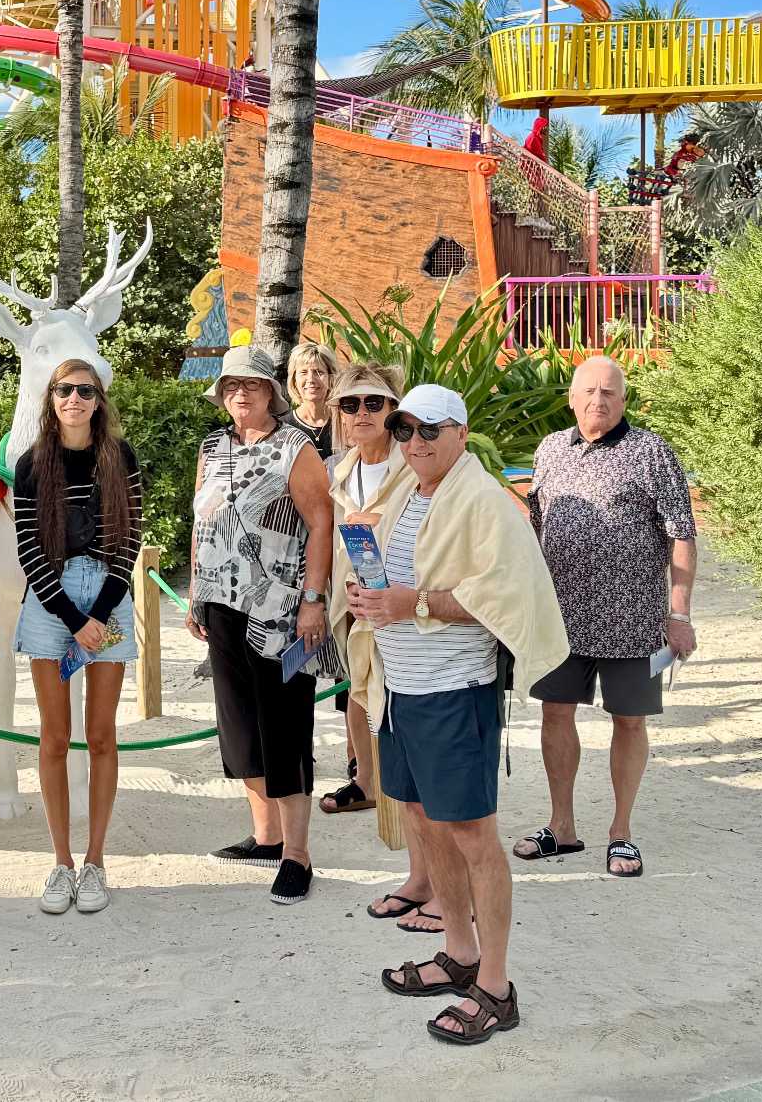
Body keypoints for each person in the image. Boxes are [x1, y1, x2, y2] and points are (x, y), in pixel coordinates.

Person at [346, 385, 567, 1047]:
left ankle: (495, 989)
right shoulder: (402, 495)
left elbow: (507, 594)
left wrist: (414, 603)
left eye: (430, 429)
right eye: (405, 429)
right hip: (400, 691)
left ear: (461, 433)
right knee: (422, 818)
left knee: (473, 835)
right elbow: (394, 583)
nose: (414, 442)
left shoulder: (486, 502)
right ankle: (460, 952)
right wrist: (370, 597)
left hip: (453, 691)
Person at [515, 355, 697, 879]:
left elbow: (682, 535)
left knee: (629, 721)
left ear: (624, 400)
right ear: (571, 398)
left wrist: (679, 613)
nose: (599, 400)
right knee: (555, 714)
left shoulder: (651, 452)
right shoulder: (550, 449)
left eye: (610, 392)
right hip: (561, 616)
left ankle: (621, 832)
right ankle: (562, 827)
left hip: (632, 618)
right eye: (590, 391)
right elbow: (537, 524)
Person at [187, 345, 335, 906]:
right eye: (231, 385)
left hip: (279, 607)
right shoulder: (212, 446)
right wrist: (196, 591)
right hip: (220, 602)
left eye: (251, 384)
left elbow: (321, 522)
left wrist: (313, 599)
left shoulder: (295, 446)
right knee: (240, 725)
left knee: (284, 726)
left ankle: (297, 853)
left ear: (272, 391)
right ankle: (266, 836)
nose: (241, 394)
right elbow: (201, 521)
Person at [11, 359, 145, 915]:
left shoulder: (120, 457)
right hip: (52, 600)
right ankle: (61, 861)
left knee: (102, 735)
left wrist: (101, 615)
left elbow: (130, 539)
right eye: (65, 390)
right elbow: (28, 549)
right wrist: (74, 620)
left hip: (107, 591)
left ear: (98, 399)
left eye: (85, 391)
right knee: (54, 736)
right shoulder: (31, 464)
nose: (74, 399)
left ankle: (95, 860)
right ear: (51, 398)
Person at [320, 365, 397, 816]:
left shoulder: (413, 464)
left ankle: (400, 784)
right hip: (351, 595)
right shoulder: (338, 471)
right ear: (339, 415)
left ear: (392, 409)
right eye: (350, 404)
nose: (362, 412)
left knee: (398, 688)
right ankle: (364, 780)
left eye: (373, 402)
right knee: (357, 682)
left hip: (403, 598)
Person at [285, 341, 340, 462]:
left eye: (318, 372)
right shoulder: (283, 428)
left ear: (331, 378)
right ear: (294, 380)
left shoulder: (344, 424)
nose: (310, 379)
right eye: (303, 372)